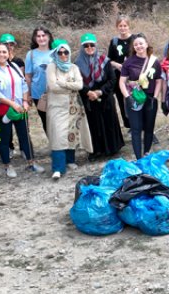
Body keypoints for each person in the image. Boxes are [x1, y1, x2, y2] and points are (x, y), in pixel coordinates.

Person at [0, 41, 40, 178]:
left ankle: (31, 162)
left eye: (4, 52)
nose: (2, 54)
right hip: (3, 109)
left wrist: (24, 101)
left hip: (20, 108)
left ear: (8, 53)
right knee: (4, 138)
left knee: (25, 135)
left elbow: (23, 85)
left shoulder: (14, 66)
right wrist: (12, 104)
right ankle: (7, 165)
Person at [75, 32, 125, 158]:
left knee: (109, 122)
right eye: (86, 46)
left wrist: (100, 91)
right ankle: (96, 150)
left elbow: (112, 80)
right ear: (82, 48)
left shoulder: (105, 60)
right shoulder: (77, 64)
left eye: (92, 45)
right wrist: (88, 92)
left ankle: (112, 148)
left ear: (95, 45)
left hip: (105, 96)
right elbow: (78, 82)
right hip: (89, 98)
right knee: (94, 124)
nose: (89, 48)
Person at [45, 40, 86, 179]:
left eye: (66, 52)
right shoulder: (51, 66)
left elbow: (80, 85)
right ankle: (58, 168)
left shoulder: (74, 67)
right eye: (60, 52)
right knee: (58, 135)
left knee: (71, 132)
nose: (63, 55)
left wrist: (62, 83)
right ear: (56, 53)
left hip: (72, 106)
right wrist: (70, 86)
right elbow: (53, 87)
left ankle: (70, 160)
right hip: (56, 106)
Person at [118, 35, 159, 160]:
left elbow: (158, 81)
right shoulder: (128, 62)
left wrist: (155, 98)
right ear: (133, 47)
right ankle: (138, 158)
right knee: (136, 129)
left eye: (141, 43)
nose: (139, 46)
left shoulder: (154, 61)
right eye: (136, 45)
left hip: (150, 98)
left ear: (146, 44)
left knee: (149, 127)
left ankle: (146, 153)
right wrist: (127, 97)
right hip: (134, 98)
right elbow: (122, 82)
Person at [107, 15, 137, 129]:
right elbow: (109, 60)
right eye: (120, 26)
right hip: (120, 76)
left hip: (135, 76)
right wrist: (117, 65)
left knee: (137, 98)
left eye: (125, 25)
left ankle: (140, 124)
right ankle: (129, 125)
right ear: (117, 27)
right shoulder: (114, 41)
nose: (123, 28)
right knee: (122, 100)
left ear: (129, 26)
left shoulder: (135, 39)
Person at [23, 26, 54, 133]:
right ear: (35, 39)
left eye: (43, 35)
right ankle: (53, 146)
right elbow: (28, 76)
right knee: (46, 121)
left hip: (56, 93)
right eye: (38, 36)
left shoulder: (56, 52)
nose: (41, 38)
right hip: (38, 94)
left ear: (49, 36)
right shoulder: (31, 54)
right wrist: (29, 95)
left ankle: (62, 146)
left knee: (58, 121)